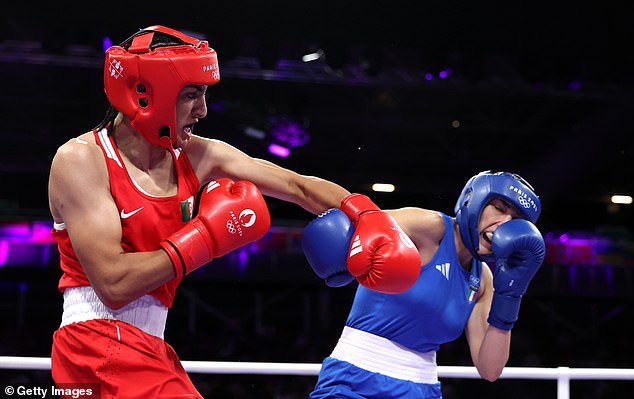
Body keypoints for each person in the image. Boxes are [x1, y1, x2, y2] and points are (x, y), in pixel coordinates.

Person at [47, 25, 421, 398]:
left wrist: (365, 214)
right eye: (192, 95)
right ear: (146, 94)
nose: (203, 110)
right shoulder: (82, 160)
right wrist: (205, 238)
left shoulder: (197, 155)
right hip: (96, 344)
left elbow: (298, 186)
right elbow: (114, 286)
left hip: (150, 346)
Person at [302, 170, 546, 398]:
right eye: (499, 208)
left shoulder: (484, 279)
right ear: (475, 200)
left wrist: (511, 293)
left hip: (421, 388)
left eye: (515, 219)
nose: (505, 222)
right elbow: (357, 214)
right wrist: (290, 184)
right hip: (354, 377)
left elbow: (490, 369)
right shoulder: (429, 228)